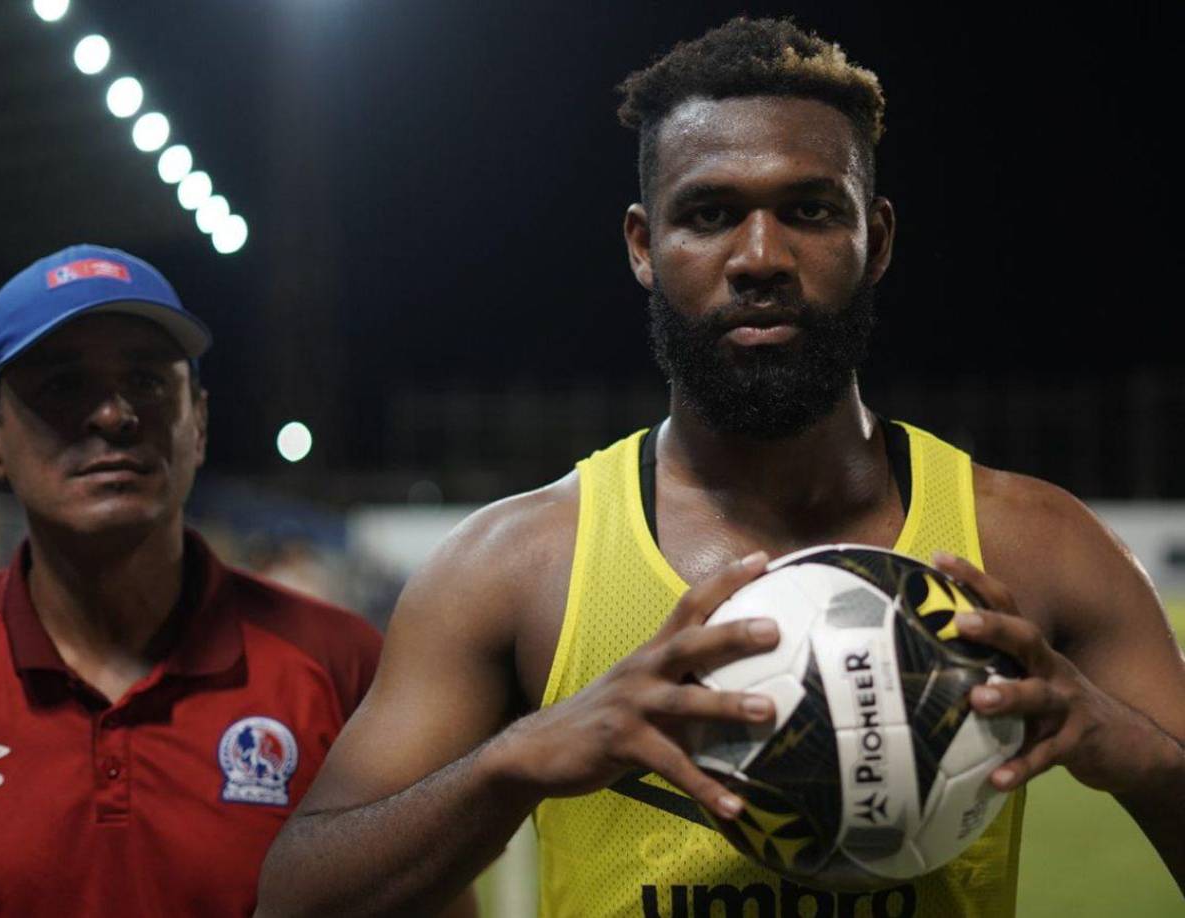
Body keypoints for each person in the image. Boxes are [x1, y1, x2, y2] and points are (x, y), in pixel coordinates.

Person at [257, 18, 1185, 917]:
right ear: (643, 247)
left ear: (880, 239)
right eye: (708, 215)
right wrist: (523, 758)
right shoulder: (517, 564)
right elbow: (296, 899)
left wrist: (1134, 751)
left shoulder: (1037, 546)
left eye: (811, 211)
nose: (760, 258)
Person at [0, 244, 384, 916]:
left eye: (149, 382)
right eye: (63, 385)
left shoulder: (342, 665)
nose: (113, 415)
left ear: (200, 423)